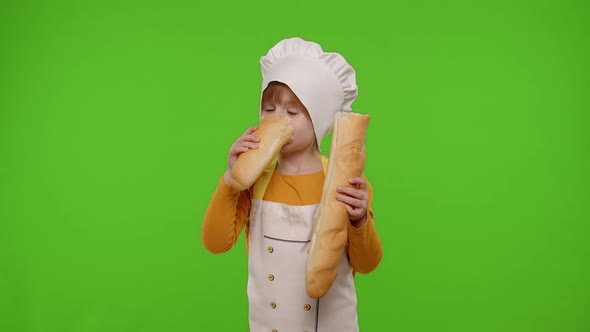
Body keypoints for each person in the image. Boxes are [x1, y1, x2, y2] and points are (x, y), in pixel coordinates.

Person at [201, 37, 383, 331]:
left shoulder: (346, 182)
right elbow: (215, 242)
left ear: (318, 118)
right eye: (268, 108)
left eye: (292, 111)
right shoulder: (255, 180)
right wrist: (230, 180)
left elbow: (367, 263)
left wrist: (360, 219)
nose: (276, 118)